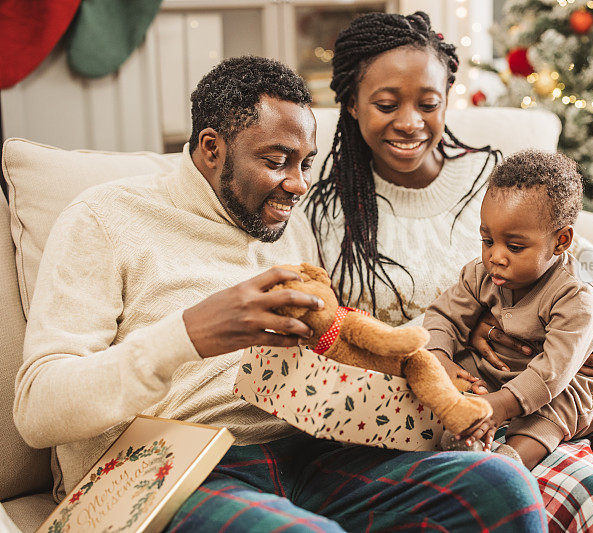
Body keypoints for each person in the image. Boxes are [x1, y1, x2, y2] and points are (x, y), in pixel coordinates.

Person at [14, 56, 548, 532]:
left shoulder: (288, 227)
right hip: (171, 463)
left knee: (502, 485)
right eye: (276, 160)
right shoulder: (105, 218)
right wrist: (187, 335)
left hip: (309, 448)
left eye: (304, 163)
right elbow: (38, 410)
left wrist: (427, 375)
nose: (297, 184)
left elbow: (339, 341)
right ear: (210, 148)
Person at [305, 11, 593, 530]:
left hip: (586, 380)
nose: (410, 122)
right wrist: (439, 363)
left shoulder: (499, 181)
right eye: (386, 105)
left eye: (428, 104)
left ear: (447, 97)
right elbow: (348, 338)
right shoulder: (327, 214)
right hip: (478, 400)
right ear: (350, 102)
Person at [424, 150, 593, 469]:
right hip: (501, 369)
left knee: (556, 408)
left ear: (561, 241)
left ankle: (510, 460)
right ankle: (464, 438)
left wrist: (499, 406)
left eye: (515, 247)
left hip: (558, 384)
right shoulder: (481, 274)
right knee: (460, 365)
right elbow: (443, 315)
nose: (496, 256)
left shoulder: (575, 298)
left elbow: (552, 373)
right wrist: (439, 359)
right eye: (488, 240)